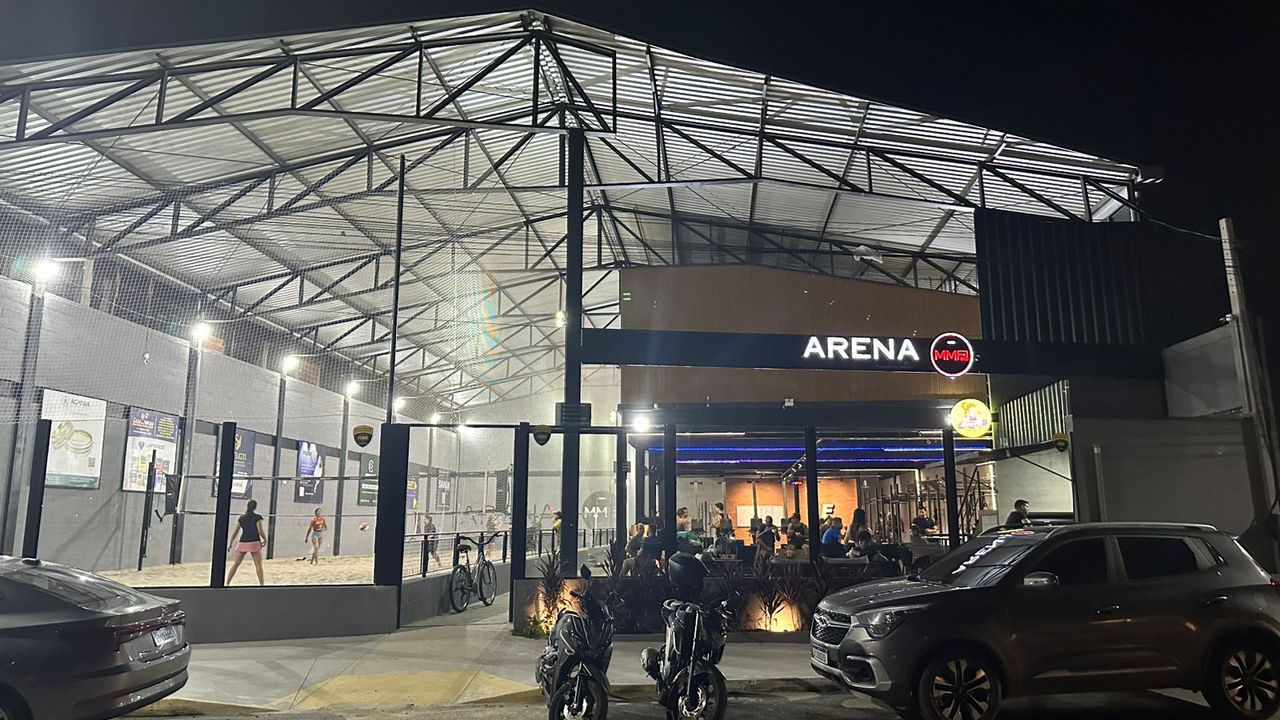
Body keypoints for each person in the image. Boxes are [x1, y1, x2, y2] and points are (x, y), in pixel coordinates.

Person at [227, 499, 267, 586]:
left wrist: (230, 543)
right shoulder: (257, 518)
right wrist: (265, 539)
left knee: (236, 564)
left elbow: (235, 532)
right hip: (254, 542)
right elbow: (260, 530)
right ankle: (261, 584)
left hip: (243, 542)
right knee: (258, 565)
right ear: (255, 507)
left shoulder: (241, 518)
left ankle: (227, 583)